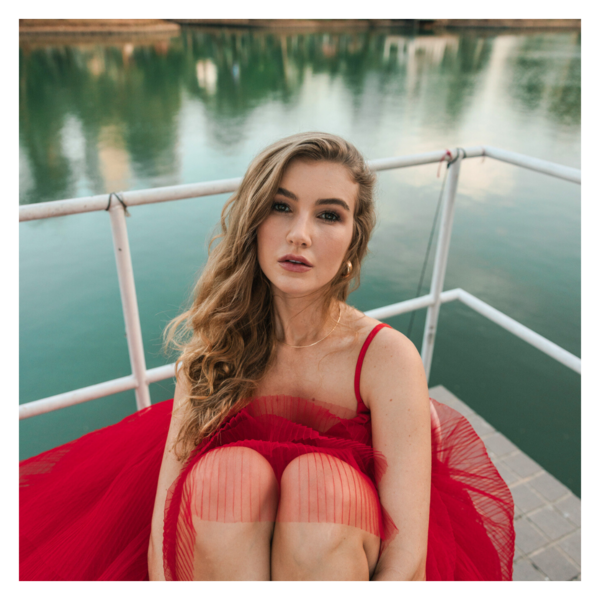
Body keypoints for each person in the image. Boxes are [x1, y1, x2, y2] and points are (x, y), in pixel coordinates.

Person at [20, 132, 515, 581]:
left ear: (353, 240)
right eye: (281, 206)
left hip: (342, 560)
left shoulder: (386, 358)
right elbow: (162, 534)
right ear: (253, 223)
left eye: (328, 215)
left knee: (320, 485)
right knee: (229, 476)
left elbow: (408, 562)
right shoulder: (214, 353)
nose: (300, 234)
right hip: (220, 561)